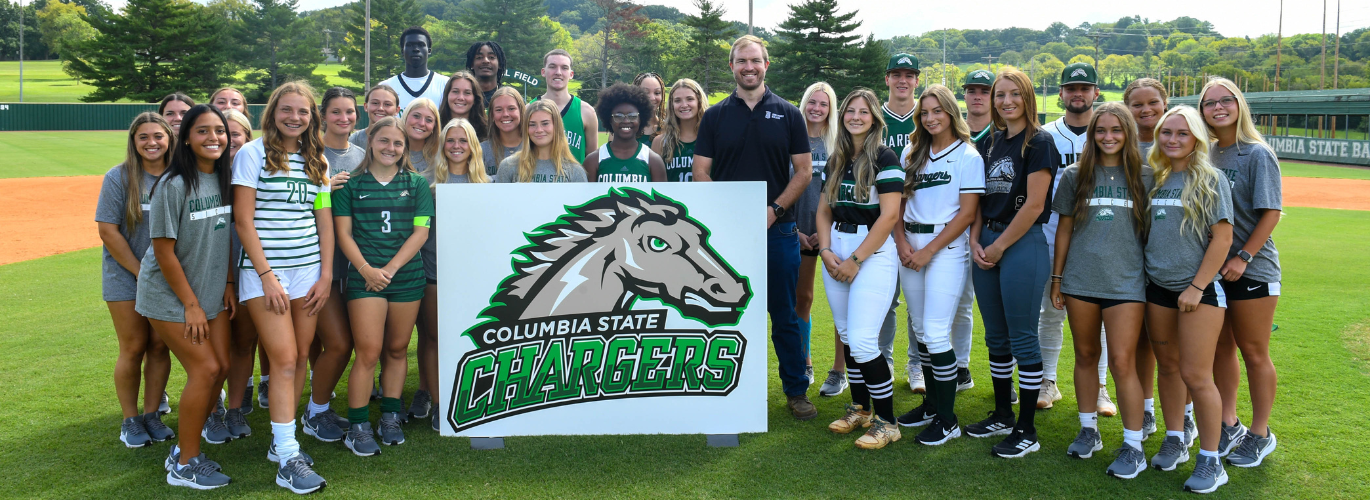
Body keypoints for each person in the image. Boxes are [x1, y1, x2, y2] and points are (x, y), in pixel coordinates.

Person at [693, 35, 816, 420]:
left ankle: (796, 391)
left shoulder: (789, 113)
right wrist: (734, 215)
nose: (749, 67)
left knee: (784, 314)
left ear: (767, 65)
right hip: (728, 235)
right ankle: (727, 391)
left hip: (777, 232)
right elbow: (700, 172)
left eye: (755, 61)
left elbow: (804, 171)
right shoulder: (714, 116)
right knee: (724, 314)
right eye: (741, 61)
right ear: (732, 66)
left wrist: (774, 210)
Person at [231, 81, 331, 494]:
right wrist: (267, 275)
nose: (295, 117)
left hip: (308, 271)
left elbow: (322, 219)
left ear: (312, 117)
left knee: (301, 356)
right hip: (264, 273)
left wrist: (326, 275)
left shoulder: (317, 160)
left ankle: (280, 442)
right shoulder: (252, 154)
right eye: (287, 110)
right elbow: (243, 219)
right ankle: (288, 456)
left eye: (303, 112)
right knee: (285, 359)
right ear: (272, 112)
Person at [1049, 103, 1153, 476]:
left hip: (1127, 284)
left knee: (1123, 363)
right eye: (1100, 130)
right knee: (1085, 354)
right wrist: (1058, 277)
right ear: (1092, 135)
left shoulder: (1146, 175)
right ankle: (1088, 430)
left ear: (1128, 133)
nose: (1108, 137)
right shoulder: (1075, 175)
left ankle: (1133, 445)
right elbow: (1064, 229)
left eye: (1116, 130)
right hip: (1080, 281)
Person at [138, 104, 235, 489]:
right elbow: (162, 251)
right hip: (169, 296)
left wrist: (228, 284)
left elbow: (226, 236)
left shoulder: (225, 180)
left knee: (222, 366)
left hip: (212, 292)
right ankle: (186, 462)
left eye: (220, 131)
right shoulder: (173, 185)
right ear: (187, 138)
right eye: (203, 131)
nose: (214, 138)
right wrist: (190, 305)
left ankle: (183, 448)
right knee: (206, 370)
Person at [964, 68, 1057, 458]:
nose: (1005, 101)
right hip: (987, 239)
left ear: (1027, 97)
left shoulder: (1040, 142)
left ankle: (1027, 428)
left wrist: (999, 245)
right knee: (996, 335)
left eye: (1013, 94)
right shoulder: (992, 141)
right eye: (999, 95)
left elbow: (1035, 204)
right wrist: (974, 237)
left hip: (1020, 243)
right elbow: (981, 198)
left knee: (1022, 335)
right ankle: (1003, 412)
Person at [1143, 106, 1233, 494]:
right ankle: (1176, 437)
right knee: (1168, 367)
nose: (1172, 140)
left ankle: (1212, 461)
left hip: (1198, 292)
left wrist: (1196, 287)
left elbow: (1223, 238)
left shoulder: (1209, 178)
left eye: (1181, 133)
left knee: (1198, 375)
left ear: (1196, 137)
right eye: (1166, 133)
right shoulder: (1159, 179)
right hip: (1157, 290)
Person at [334, 116, 434, 455]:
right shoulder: (351, 184)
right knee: (368, 352)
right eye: (384, 141)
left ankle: (390, 414)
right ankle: (358, 424)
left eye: (398, 143)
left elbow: (421, 232)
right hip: (365, 280)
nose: (390, 148)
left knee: (397, 349)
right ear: (370, 142)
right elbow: (343, 233)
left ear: (404, 148)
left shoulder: (417, 184)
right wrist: (366, 269)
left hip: (405, 278)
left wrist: (388, 269)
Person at [892, 85, 984, 446]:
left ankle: (948, 420)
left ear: (951, 112)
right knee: (919, 328)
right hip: (910, 245)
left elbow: (968, 214)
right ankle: (932, 406)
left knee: (933, 331)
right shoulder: (912, 152)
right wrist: (901, 243)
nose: (930, 118)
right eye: (924, 112)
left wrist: (928, 250)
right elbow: (898, 205)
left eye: (937, 111)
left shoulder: (968, 155)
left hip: (945, 248)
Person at [1200, 77, 1282, 467]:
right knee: (1221, 348)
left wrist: (1243, 257)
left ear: (1239, 105)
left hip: (1252, 269)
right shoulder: (1208, 155)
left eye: (1225, 100)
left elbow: (1271, 213)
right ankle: (1229, 422)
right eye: (1209, 103)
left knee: (1254, 351)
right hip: (1214, 271)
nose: (1218, 108)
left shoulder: (1256, 154)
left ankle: (1261, 433)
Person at [818, 88, 905, 449]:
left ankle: (888, 422)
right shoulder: (836, 157)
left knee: (866, 340)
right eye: (850, 110)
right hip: (836, 245)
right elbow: (824, 209)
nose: (855, 116)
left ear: (874, 119)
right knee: (849, 335)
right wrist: (825, 250)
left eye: (863, 111)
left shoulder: (886, 157)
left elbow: (889, 216)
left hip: (872, 250)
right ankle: (860, 408)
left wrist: (856, 260)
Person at [1037, 62, 1115, 416]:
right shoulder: (1045, 135)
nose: (1078, 93)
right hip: (1051, 234)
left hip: (1099, 239)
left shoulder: (1109, 133)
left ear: (1096, 93)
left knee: (1098, 318)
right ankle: (1047, 381)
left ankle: (1100, 387)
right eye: (1071, 88)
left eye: (1085, 88)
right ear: (1061, 94)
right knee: (1049, 313)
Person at [97, 112, 176, 448]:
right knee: (133, 347)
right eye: (143, 137)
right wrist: (140, 271)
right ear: (133, 142)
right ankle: (130, 420)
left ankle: (151, 415)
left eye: (158, 136)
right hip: (125, 274)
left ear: (169, 139)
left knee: (159, 346)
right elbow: (107, 230)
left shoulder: (178, 176)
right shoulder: (119, 177)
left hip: (166, 275)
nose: (151, 142)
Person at [298, 87, 367, 444]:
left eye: (350, 112)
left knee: (346, 342)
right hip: (317, 263)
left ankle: (318, 406)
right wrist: (327, 188)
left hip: (354, 262)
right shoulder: (309, 154)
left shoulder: (362, 154)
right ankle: (315, 410)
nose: (344, 118)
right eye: (336, 112)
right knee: (337, 343)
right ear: (323, 115)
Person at [416, 119, 492, 433]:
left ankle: (475, 397)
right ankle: (439, 402)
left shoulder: (489, 185)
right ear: (442, 144)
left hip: (472, 278)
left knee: (473, 341)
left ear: (473, 144)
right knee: (434, 338)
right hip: (434, 274)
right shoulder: (425, 182)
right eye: (450, 140)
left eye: (463, 140)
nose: (456, 146)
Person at [1123, 77, 1169, 439]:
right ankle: (1148, 408)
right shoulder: (1123, 145)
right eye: (1137, 104)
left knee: (1173, 344)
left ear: (1164, 103)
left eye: (1152, 102)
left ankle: (1184, 415)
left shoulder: (1178, 140)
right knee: (1139, 340)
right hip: (1130, 253)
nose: (1145, 109)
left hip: (1173, 255)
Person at [796, 82, 840, 396]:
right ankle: (804, 362)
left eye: (823, 104)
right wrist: (794, 230)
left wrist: (826, 230)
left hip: (834, 234)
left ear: (830, 109)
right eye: (812, 102)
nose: (816, 109)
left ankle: (839, 371)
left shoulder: (838, 143)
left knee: (841, 306)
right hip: (796, 232)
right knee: (803, 299)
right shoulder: (791, 138)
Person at [883, 53, 922, 393]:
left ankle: (917, 364)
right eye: (896, 74)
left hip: (918, 219)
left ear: (916, 81)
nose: (902, 80)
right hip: (879, 221)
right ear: (887, 79)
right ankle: (882, 362)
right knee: (884, 298)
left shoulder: (926, 116)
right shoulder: (874, 117)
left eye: (909, 75)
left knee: (917, 299)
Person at [222, 109, 261, 434]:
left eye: (236, 133)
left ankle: (236, 406)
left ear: (247, 138)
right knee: (220, 349)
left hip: (250, 268)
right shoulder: (205, 175)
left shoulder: (258, 168)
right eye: (224, 132)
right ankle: (217, 409)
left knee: (244, 343)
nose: (228, 139)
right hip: (214, 273)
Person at [584, 83, 665, 182]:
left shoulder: (653, 161)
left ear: (641, 119)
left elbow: (659, 197)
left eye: (632, 116)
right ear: (609, 119)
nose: (626, 121)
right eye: (618, 116)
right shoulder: (593, 160)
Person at [495, 99, 587, 183]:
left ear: (556, 126)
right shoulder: (509, 166)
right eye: (532, 124)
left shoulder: (575, 171)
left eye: (545, 123)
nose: (539, 130)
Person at [537, 49, 598, 163]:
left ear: (571, 74)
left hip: (574, 180)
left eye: (564, 68)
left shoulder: (587, 112)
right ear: (543, 71)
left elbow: (592, 161)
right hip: (537, 180)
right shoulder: (528, 110)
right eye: (552, 66)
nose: (558, 72)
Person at [379, 26, 449, 112]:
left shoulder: (445, 85)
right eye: (410, 45)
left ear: (429, 50)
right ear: (402, 51)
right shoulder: (386, 87)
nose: (416, 49)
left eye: (421, 45)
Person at [653, 78, 709, 183]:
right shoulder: (660, 142)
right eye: (677, 100)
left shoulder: (712, 140)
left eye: (690, 99)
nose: (684, 105)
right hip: (671, 200)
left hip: (704, 199)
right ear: (671, 105)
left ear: (699, 101)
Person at [482, 87, 526, 175]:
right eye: (499, 110)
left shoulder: (534, 147)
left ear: (521, 111)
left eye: (511, 108)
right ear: (492, 115)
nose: (505, 114)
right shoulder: (481, 151)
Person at [438, 71, 489, 142]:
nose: (461, 97)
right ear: (447, 95)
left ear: (475, 98)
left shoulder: (488, 133)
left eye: (467, 93)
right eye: (455, 91)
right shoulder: (434, 129)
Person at [350, 85, 401, 149]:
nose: (381, 108)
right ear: (366, 107)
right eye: (375, 103)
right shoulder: (354, 140)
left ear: (397, 110)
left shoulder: (404, 140)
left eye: (387, 104)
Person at [401, 98, 442, 175]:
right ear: (406, 116)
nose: (422, 123)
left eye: (429, 120)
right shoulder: (392, 152)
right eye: (416, 116)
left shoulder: (441, 159)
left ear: (434, 126)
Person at [466, 41, 506, 105]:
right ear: (472, 64)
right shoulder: (463, 97)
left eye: (491, 57)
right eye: (479, 57)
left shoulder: (509, 97)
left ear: (500, 64)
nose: (486, 61)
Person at [634, 72, 667, 147]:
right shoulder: (623, 129)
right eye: (645, 93)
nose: (652, 98)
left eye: (657, 93)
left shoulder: (669, 129)